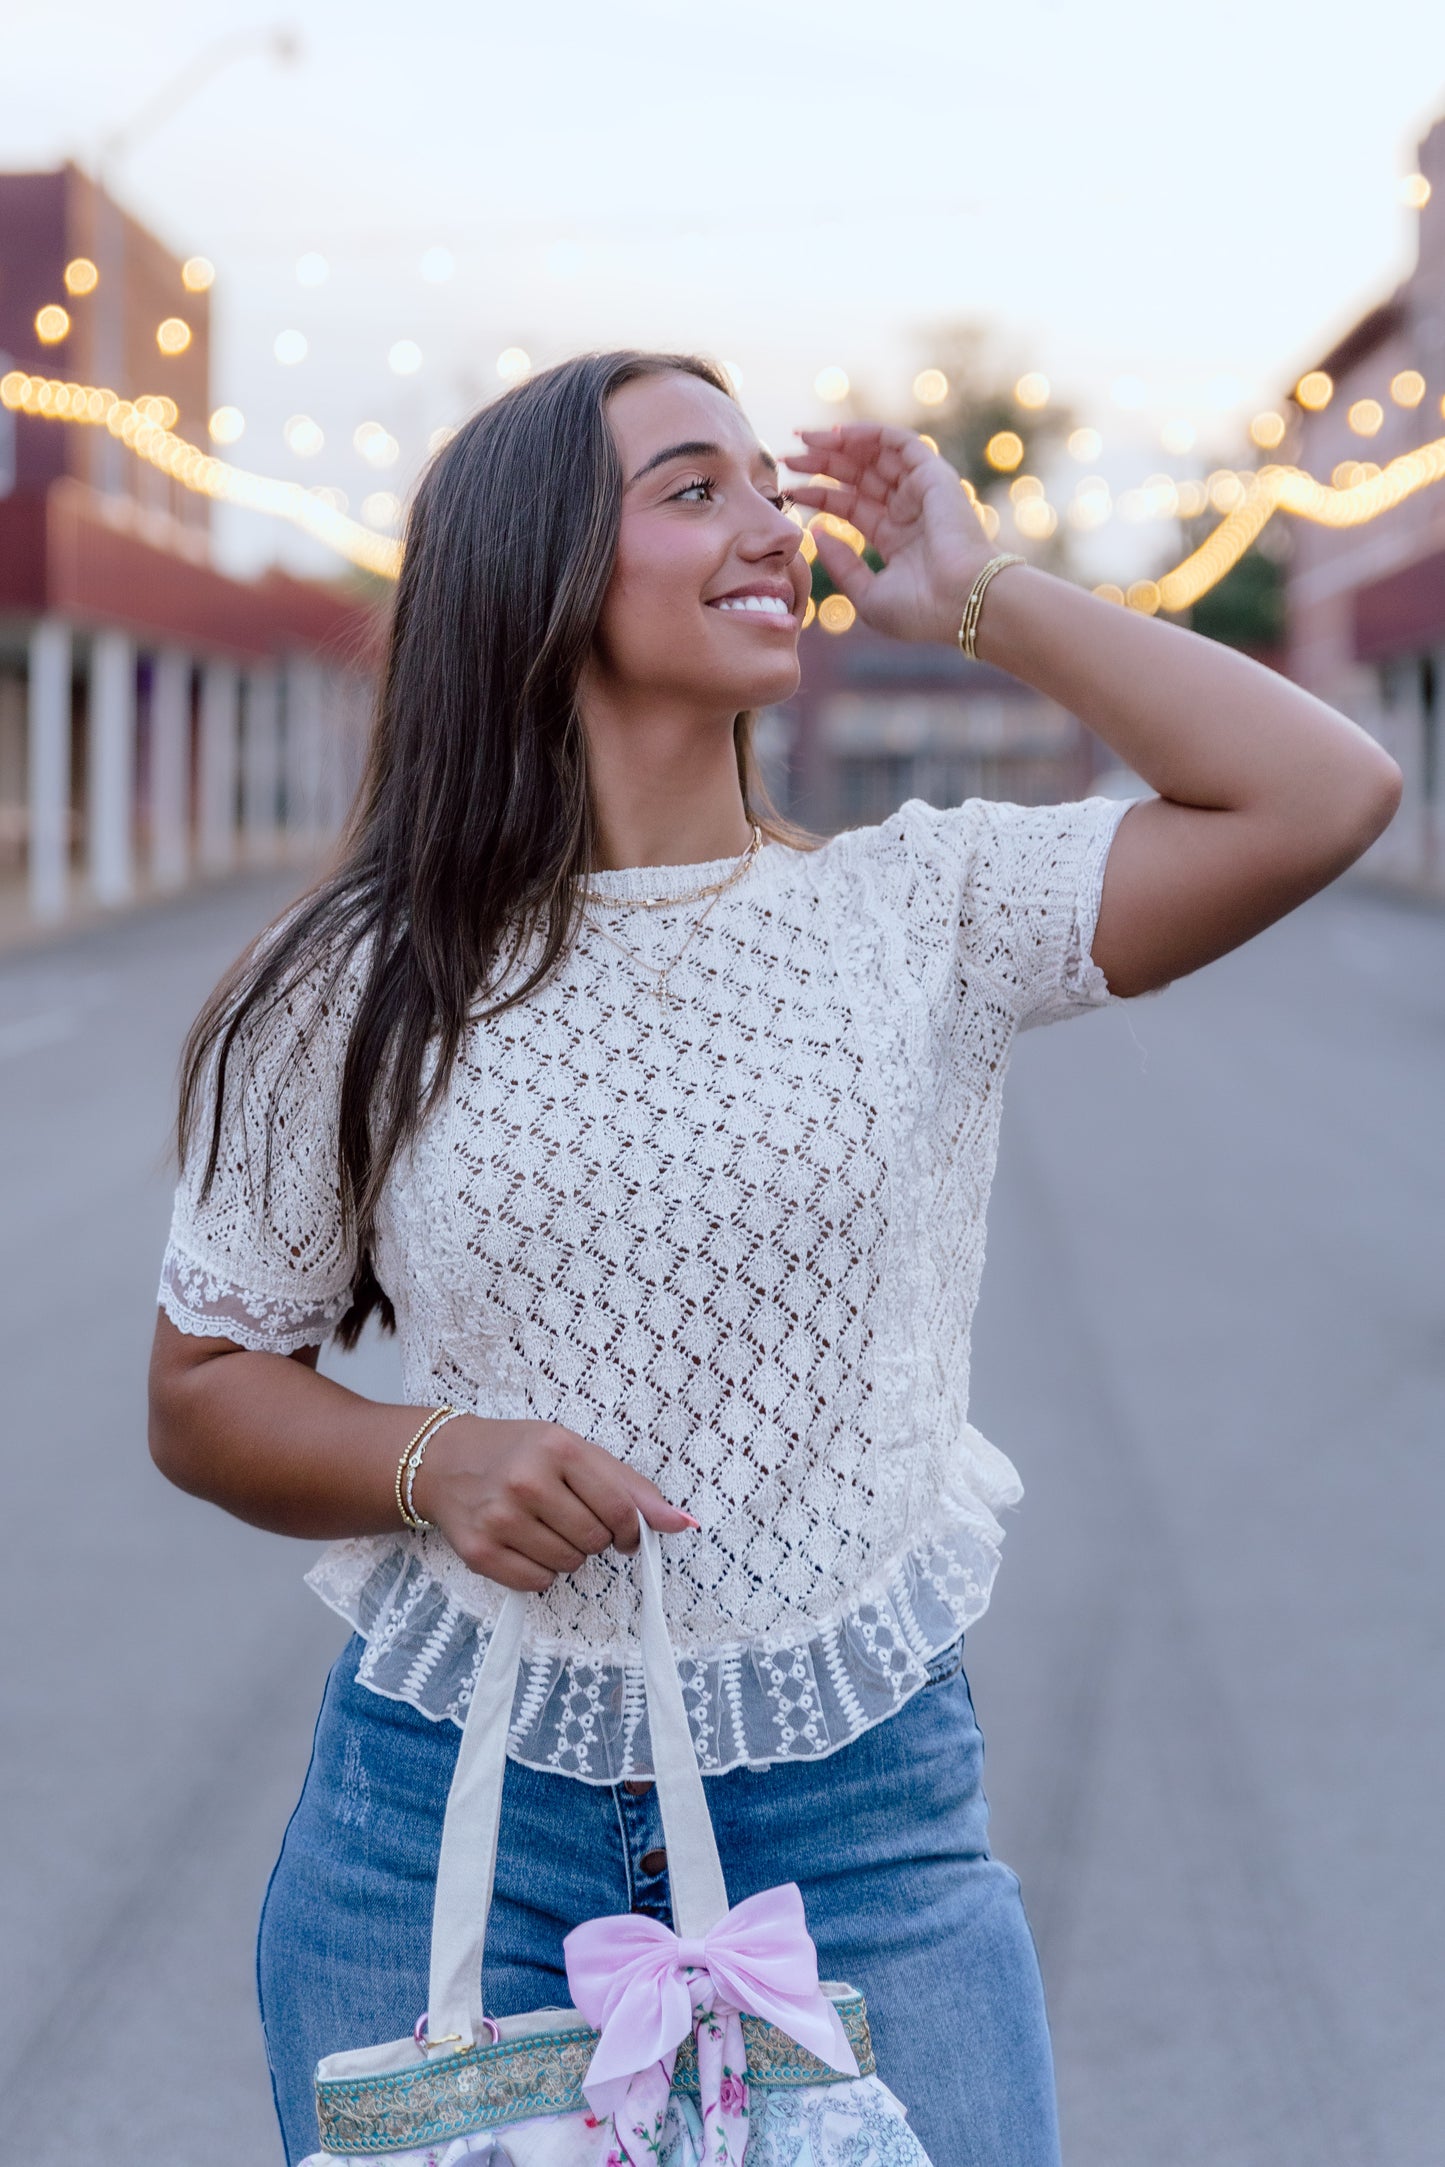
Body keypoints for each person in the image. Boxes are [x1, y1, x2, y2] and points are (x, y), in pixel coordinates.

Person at [147, 350, 1400, 2167]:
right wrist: (431, 1460)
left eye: (766, 482)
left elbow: (1319, 793)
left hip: (862, 1822)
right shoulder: (352, 984)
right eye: (693, 488)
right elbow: (201, 1393)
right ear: (542, 572)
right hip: (449, 1832)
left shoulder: (920, 915)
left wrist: (976, 593)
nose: (774, 528)